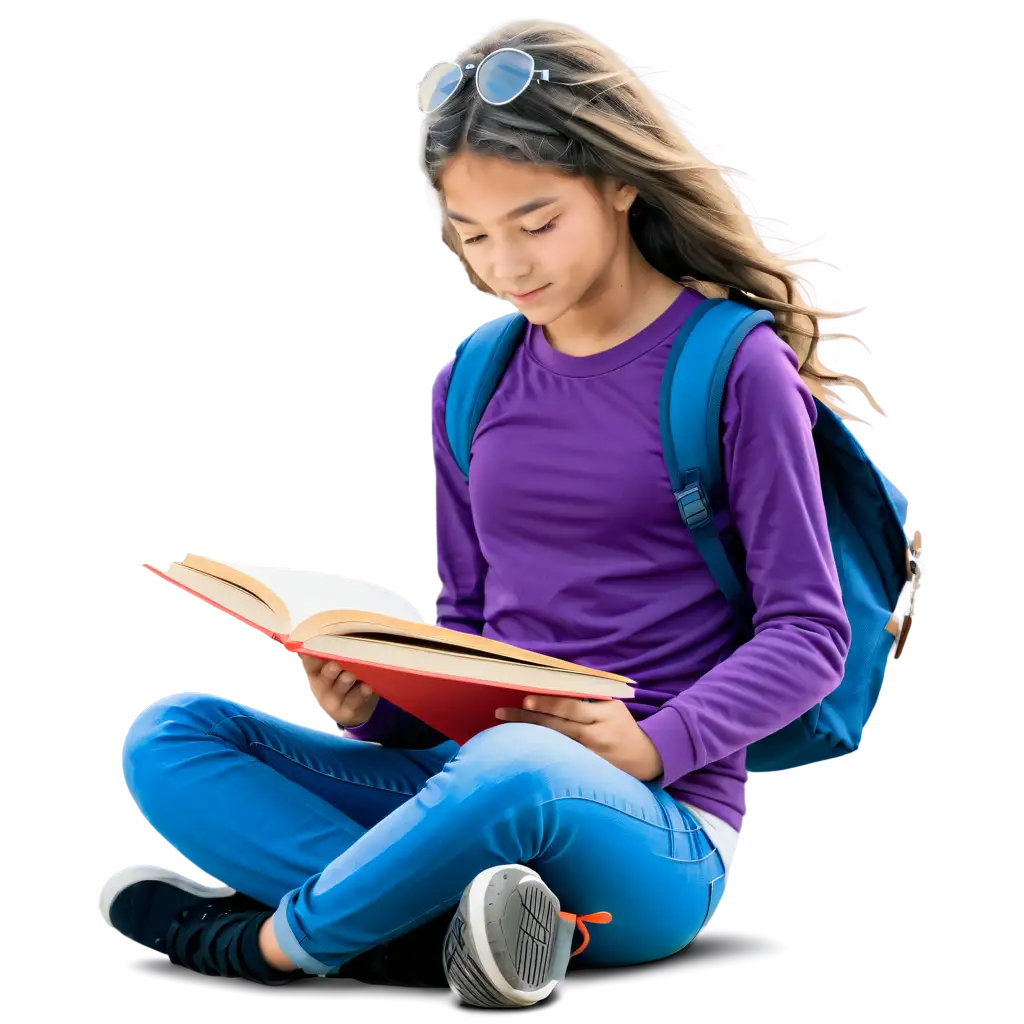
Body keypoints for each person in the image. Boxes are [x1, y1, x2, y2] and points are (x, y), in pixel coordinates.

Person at [98, 16, 860, 1010]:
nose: (506, 265)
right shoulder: (472, 382)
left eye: (536, 224)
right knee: (170, 734)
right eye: (473, 235)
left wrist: (652, 743)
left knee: (515, 766)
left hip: (652, 829)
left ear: (620, 183)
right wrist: (373, 703)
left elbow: (809, 633)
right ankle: (462, 932)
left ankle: (273, 944)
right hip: (463, 784)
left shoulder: (730, 364)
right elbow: (467, 628)